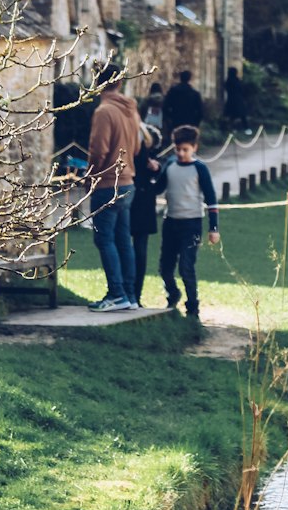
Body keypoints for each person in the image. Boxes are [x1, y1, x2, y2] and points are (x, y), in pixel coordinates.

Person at [85, 64, 142, 311]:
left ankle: (116, 293)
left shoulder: (104, 111)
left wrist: (90, 174)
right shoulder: (131, 111)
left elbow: (99, 149)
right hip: (128, 181)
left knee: (104, 239)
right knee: (123, 240)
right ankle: (129, 294)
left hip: (107, 183)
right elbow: (137, 148)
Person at [155, 124, 219, 325]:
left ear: (194, 148)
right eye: (178, 149)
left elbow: (211, 198)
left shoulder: (199, 168)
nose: (181, 153)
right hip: (171, 222)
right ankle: (172, 293)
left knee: (186, 266)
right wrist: (153, 170)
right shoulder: (170, 166)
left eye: (185, 149)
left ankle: (193, 307)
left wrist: (213, 228)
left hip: (192, 224)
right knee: (165, 266)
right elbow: (158, 188)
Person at [130, 124, 161, 307]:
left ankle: (133, 293)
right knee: (137, 250)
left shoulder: (142, 154)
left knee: (137, 250)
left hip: (139, 201)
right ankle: (133, 294)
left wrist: (156, 169)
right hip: (140, 200)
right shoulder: (146, 154)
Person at [163, 70, 203, 137]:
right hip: (190, 122)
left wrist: (171, 117)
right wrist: (196, 123)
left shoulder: (173, 92)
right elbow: (200, 111)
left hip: (176, 121)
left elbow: (165, 107)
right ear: (189, 79)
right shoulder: (195, 94)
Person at [223, 65, 249, 133]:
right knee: (241, 115)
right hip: (236, 99)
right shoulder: (236, 80)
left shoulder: (229, 81)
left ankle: (233, 128)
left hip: (232, 99)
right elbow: (241, 89)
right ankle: (245, 129)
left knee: (233, 116)